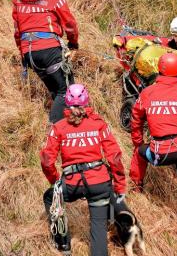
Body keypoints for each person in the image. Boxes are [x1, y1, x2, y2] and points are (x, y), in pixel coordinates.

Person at [40, 84, 126, 256]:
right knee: (98, 228)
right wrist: (119, 185)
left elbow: (47, 160)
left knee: (50, 197)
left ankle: (63, 245)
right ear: (87, 101)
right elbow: (114, 157)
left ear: (66, 102)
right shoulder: (99, 124)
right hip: (99, 183)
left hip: (71, 183)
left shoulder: (59, 127)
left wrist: (55, 181)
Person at [129, 53, 177, 238]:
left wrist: (138, 142)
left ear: (160, 69)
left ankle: (136, 187)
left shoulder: (147, 93)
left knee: (139, 152)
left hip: (158, 153)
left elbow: (135, 120)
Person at [12, 0, 79, 123]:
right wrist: (73, 44)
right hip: (49, 49)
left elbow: (17, 31)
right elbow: (70, 23)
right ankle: (54, 134)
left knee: (57, 91)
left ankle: (64, 127)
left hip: (29, 53)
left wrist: (23, 54)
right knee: (66, 91)